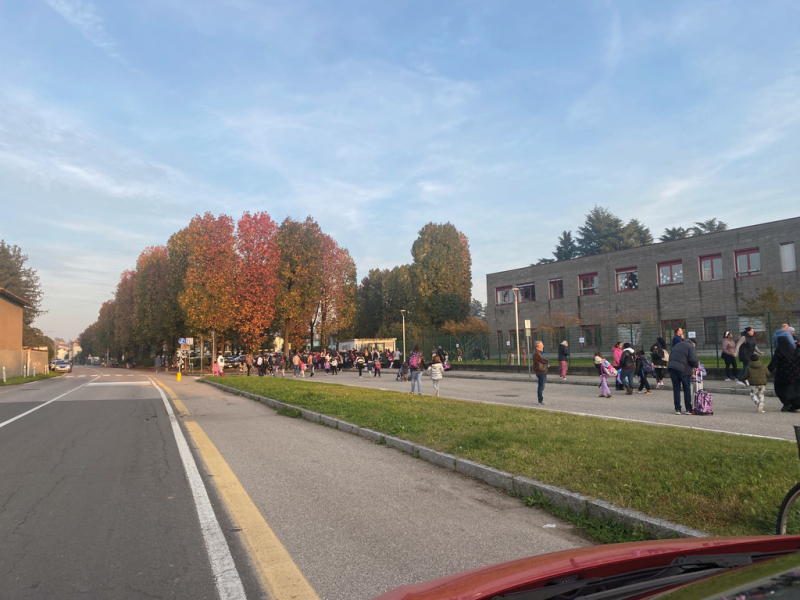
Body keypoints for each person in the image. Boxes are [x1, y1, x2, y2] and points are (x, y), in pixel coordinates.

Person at [768, 336, 800, 412]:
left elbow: (774, 363)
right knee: (795, 389)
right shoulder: (795, 350)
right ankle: (795, 404)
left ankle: (787, 404)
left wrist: (768, 370)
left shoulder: (779, 351)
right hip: (796, 374)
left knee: (781, 390)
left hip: (782, 375)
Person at [668, 338, 699, 415]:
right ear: (694, 343)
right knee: (686, 388)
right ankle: (688, 409)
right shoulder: (691, 347)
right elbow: (693, 359)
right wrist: (696, 366)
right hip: (683, 369)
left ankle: (677, 409)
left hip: (672, 368)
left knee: (676, 389)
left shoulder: (677, 345)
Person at [533, 341, 549, 405]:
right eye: (542, 345)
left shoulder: (539, 352)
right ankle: (540, 400)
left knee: (542, 386)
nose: (543, 346)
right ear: (539, 346)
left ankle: (540, 399)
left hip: (542, 370)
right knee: (541, 386)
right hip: (540, 371)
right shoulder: (537, 353)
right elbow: (544, 360)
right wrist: (546, 358)